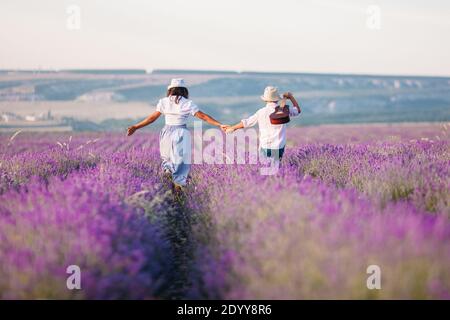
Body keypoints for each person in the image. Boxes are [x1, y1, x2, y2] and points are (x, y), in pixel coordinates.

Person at [127, 78, 228, 192]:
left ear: (170, 90)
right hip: (181, 131)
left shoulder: (163, 102)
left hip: (166, 132)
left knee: (167, 157)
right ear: (184, 91)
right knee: (181, 161)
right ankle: (178, 187)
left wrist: (136, 127)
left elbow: (152, 118)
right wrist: (219, 124)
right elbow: (203, 116)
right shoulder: (187, 103)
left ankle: (168, 176)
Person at [226, 86, 301, 161]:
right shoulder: (285, 110)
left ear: (265, 100)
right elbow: (297, 110)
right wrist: (291, 97)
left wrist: (232, 128)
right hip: (279, 146)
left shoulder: (261, 112)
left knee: (264, 169)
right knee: (276, 168)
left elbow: (246, 123)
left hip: (265, 145)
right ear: (277, 99)